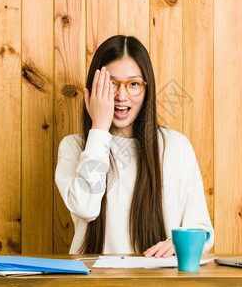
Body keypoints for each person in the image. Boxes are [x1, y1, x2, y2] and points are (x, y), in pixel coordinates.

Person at [55, 35, 213, 257]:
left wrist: (177, 244)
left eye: (134, 84)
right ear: (94, 89)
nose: (121, 96)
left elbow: (202, 231)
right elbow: (85, 208)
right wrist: (99, 128)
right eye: (111, 84)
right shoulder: (74, 147)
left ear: (147, 90)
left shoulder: (175, 146)